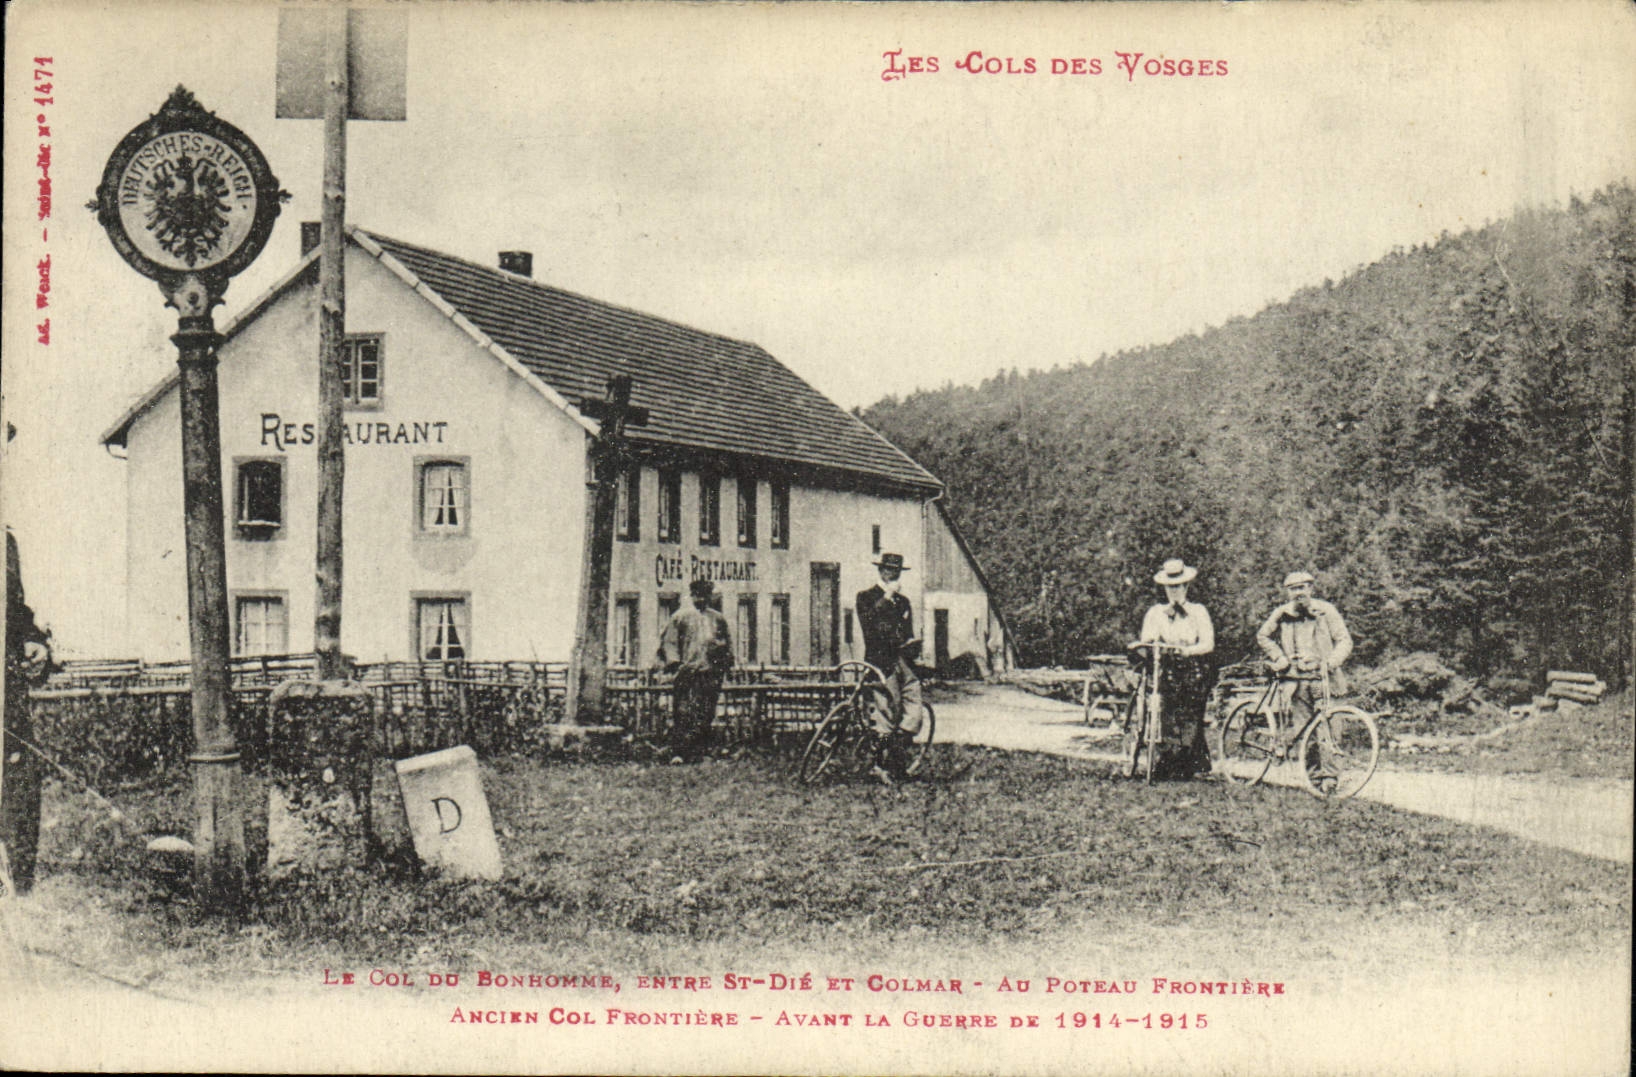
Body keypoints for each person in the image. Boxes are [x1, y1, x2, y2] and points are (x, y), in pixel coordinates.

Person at [1255, 570, 1353, 788]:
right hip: (1297, 680)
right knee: (1304, 729)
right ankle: (1313, 778)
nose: (1298, 593)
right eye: (1293, 589)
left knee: (1329, 729)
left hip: (1325, 679)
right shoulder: (1282, 614)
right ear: (1287, 592)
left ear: (1311, 589)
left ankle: (1331, 777)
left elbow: (1345, 641)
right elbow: (1263, 635)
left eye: (1302, 588)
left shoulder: (1326, 611)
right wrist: (1279, 656)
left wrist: (1330, 663)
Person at [3, 527, 53, 894]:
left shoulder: (4, 542)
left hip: (8, 702)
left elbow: (15, 613)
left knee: (18, 788)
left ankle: (18, 890)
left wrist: (33, 642)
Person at [1136, 558, 1216, 778]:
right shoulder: (1156, 613)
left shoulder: (1198, 611)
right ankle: (1170, 761)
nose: (1174, 591)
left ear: (1186, 586)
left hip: (1193, 667)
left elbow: (1208, 643)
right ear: (1165, 588)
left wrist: (1188, 651)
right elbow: (1147, 639)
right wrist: (1154, 643)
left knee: (1190, 714)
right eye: (1170, 587)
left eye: (1178, 586)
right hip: (1167, 666)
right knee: (1169, 714)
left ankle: (1188, 763)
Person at [854, 552, 924, 783]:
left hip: (903, 661)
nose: (892, 574)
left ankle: (896, 756)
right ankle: (880, 764)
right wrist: (887, 596)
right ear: (880, 571)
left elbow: (908, 632)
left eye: (896, 571)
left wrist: (913, 646)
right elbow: (870, 626)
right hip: (881, 662)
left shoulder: (903, 602)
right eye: (888, 570)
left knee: (913, 712)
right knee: (886, 716)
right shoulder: (865, 597)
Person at [656, 578, 734, 763]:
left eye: (705, 595)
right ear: (691, 596)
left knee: (706, 712)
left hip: (709, 673)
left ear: (710, 597)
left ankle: (701, 752)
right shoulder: (680, 617)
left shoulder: (717, 618)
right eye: (697, 595)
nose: (701, 599)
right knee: (683, 712)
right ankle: (679, 754)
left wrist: (724, 663)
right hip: (688, 673)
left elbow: (727, 645)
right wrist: (675, 664)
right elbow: (669, 642)